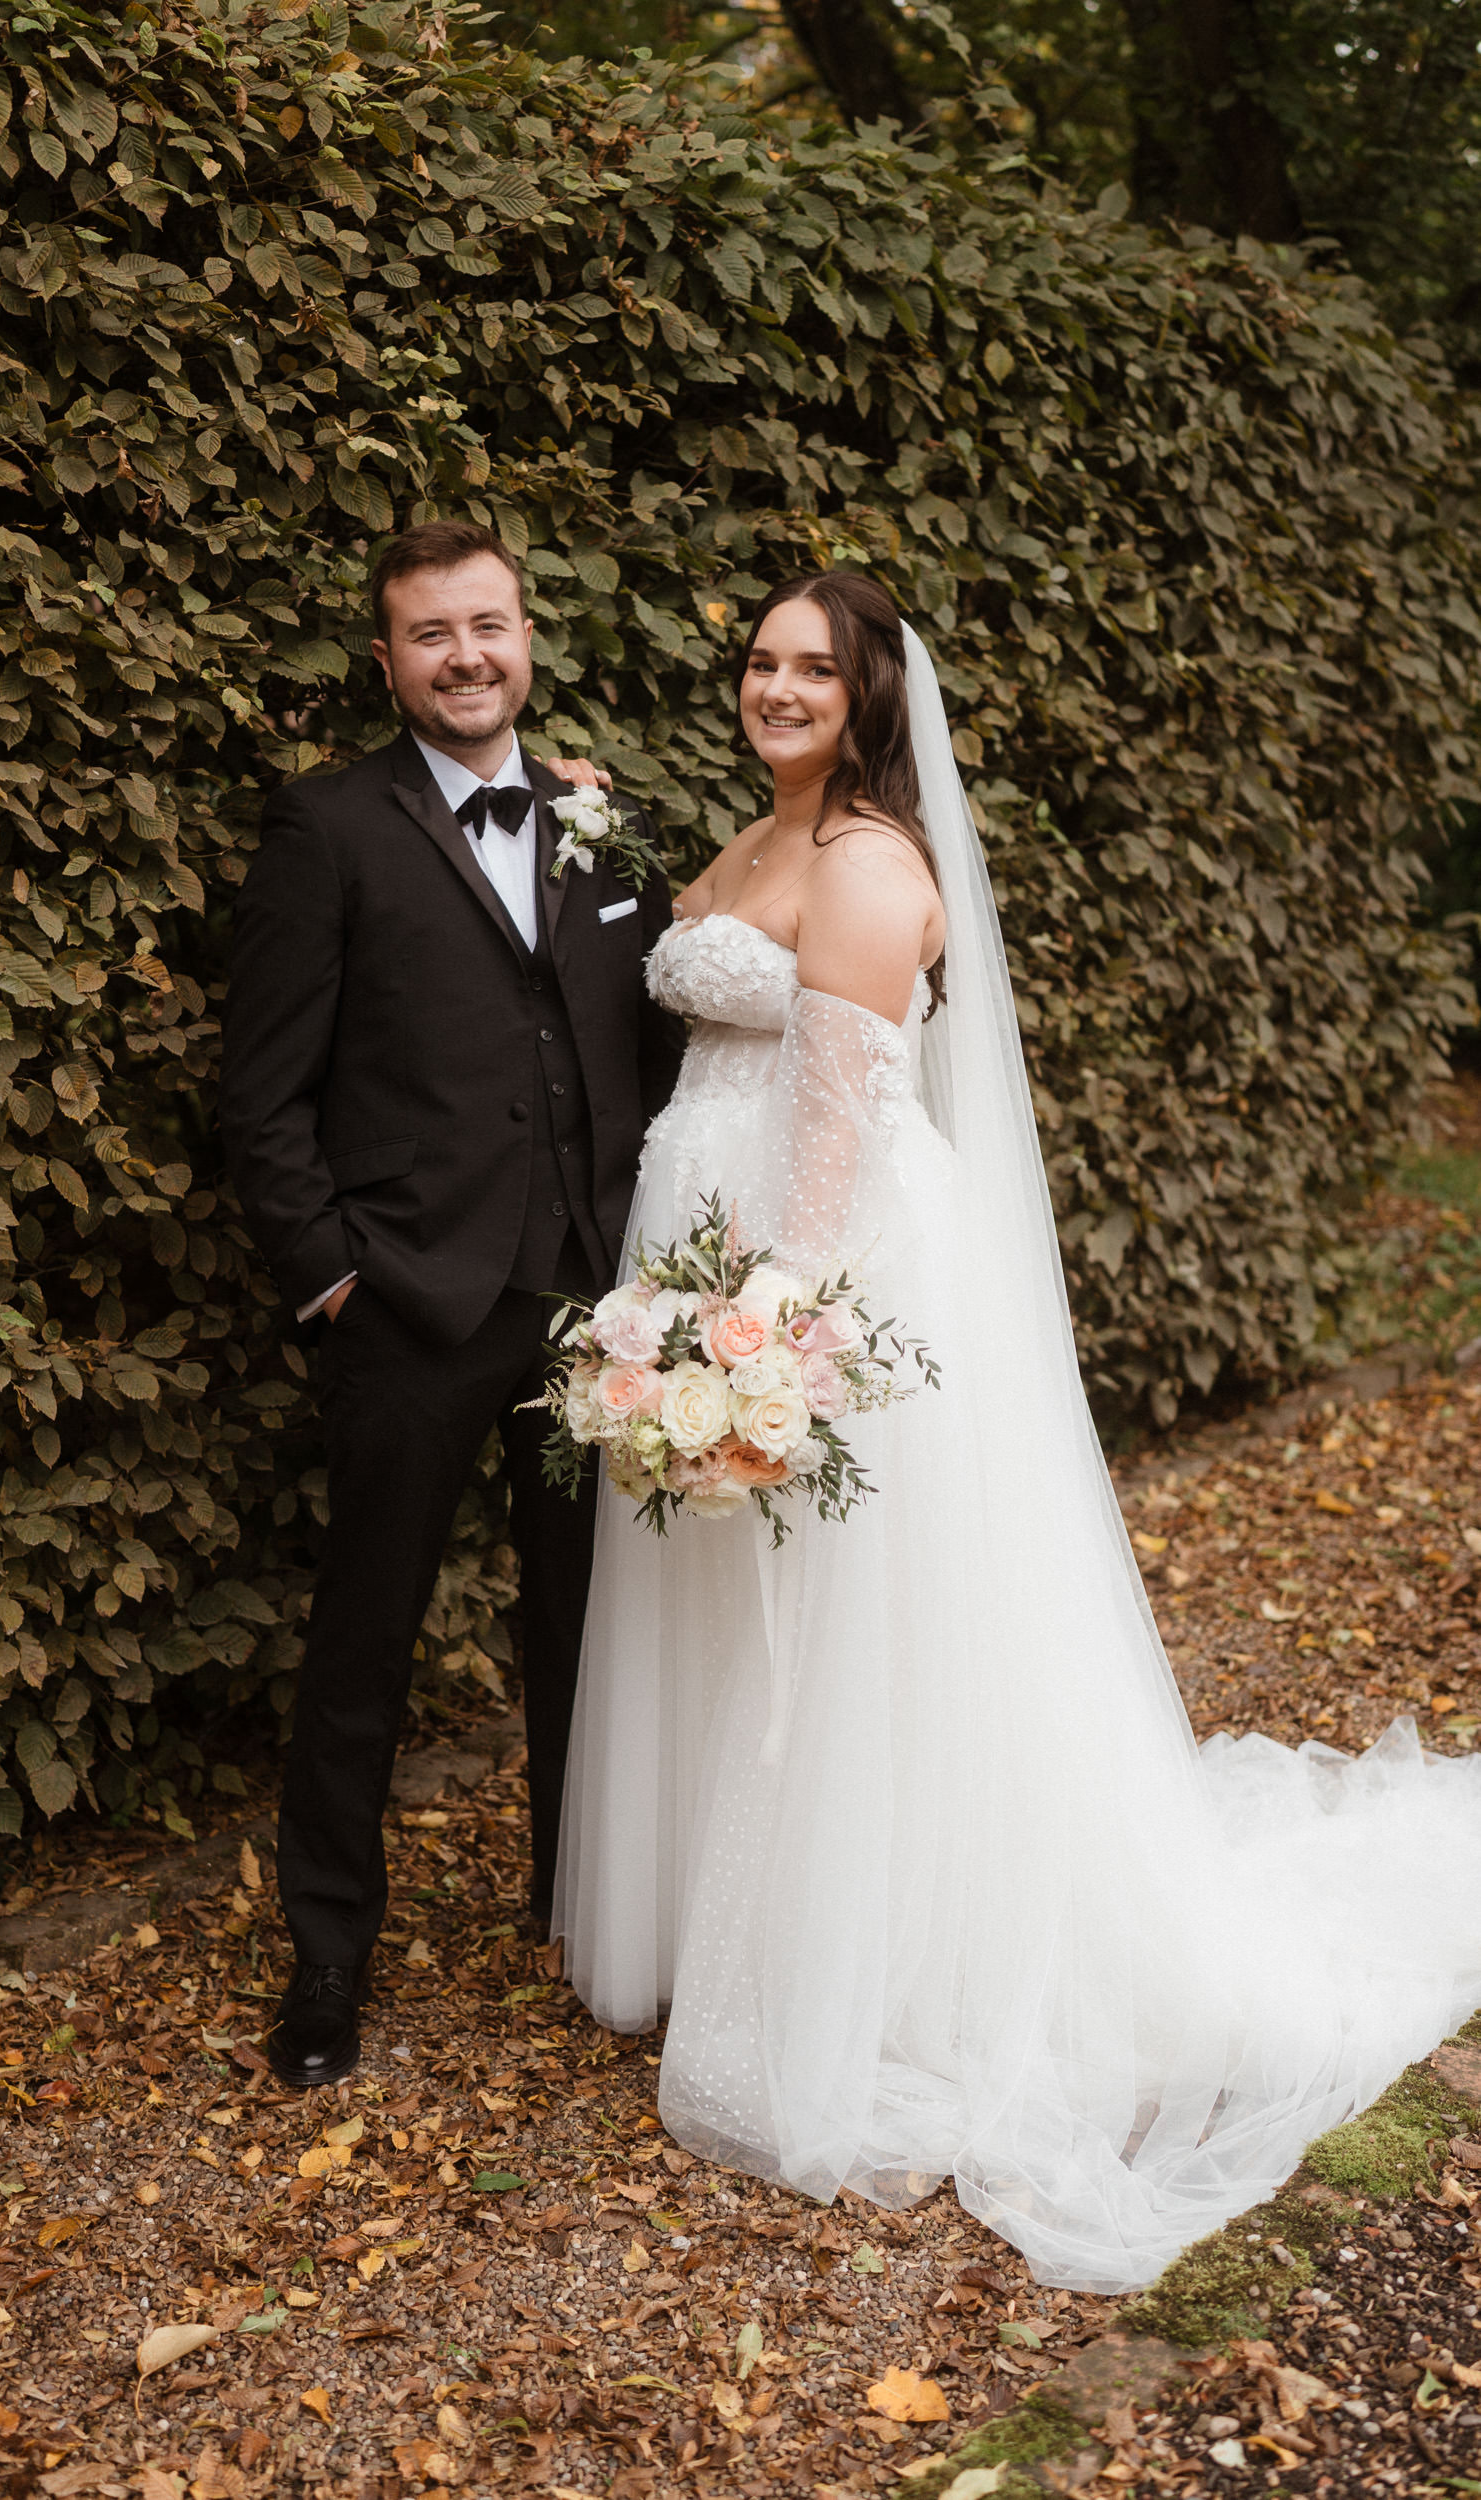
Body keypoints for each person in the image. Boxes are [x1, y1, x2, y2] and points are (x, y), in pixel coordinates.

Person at [554, 569, 1481, 2293]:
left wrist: (765, 1341)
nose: (775, 687)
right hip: (706, 1258)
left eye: (812, 668)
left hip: (815, 1274)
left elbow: (834, 1124)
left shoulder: (865, 862)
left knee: (845, 1621)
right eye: (759, 661)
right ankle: (734, 1932)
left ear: (870, 696)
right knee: (740, 1610)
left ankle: (871, 1980)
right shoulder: (758, 837)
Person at [220, 520, 683, 2089]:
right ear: (388, 660)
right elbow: (263, 1095)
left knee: (586, 1630)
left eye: (488, 625)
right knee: (365, 1640)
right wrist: (332, 1280)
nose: (466, 656)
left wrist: (652, 1263)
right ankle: (327, 1960)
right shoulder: (327, 827)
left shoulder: (604, 821)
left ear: (527, 636)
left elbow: (653, 1053)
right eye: (432, 634)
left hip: (591, 1306)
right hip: (409, 1307)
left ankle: (580, 1915)